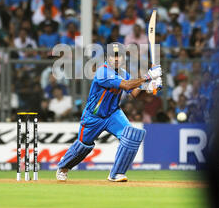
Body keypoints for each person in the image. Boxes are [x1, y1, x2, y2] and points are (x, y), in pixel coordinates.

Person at [56, 42, 163, 182]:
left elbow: (135, 94)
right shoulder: (103, 71)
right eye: (114, 56)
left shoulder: (124, 73)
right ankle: (63, 167)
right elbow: (126, 85)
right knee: (83, 146)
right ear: (107, 58)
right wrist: (148, 76)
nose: (117, 59)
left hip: (113, 114)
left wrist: (151, 87)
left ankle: (116, 174)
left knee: (131, 136)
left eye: (120, 56)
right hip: (93, 116)